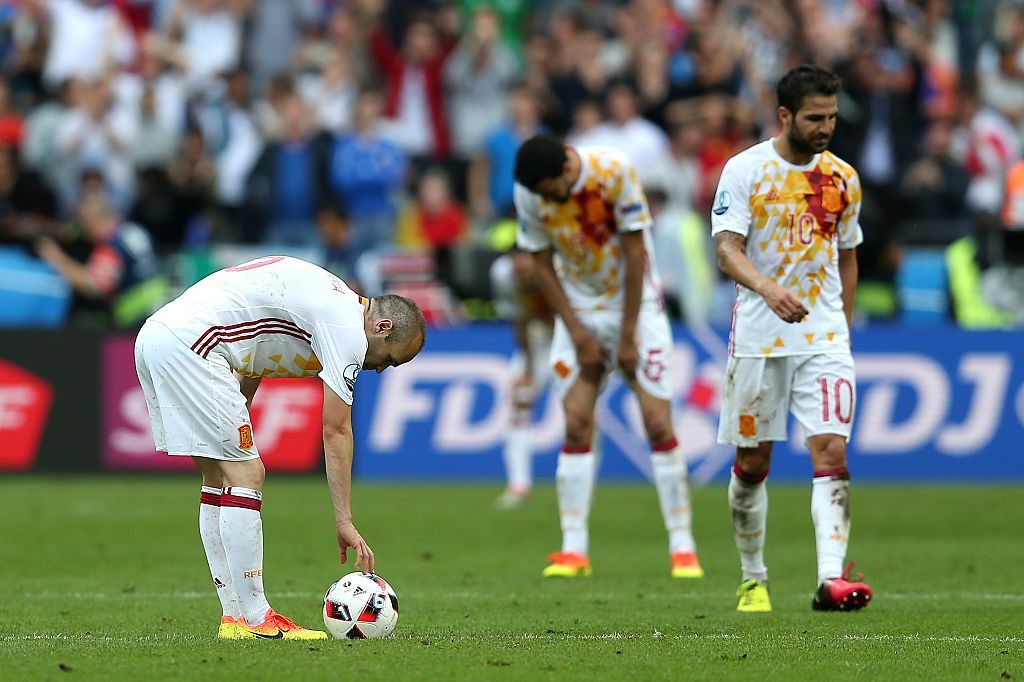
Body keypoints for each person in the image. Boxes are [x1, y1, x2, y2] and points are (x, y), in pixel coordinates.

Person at [134, 255, 426, 639]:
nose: (381, 369)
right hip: (193, 346)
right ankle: (258, 620)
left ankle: (234, 619)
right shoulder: (347, 328)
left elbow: (254, 356)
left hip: (160, 338)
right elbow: (336, 431)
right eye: (389, 358)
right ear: (382, 326)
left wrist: (235, 417)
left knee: (219, 475)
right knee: (247, 473)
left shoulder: (330, 306)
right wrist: (344, 520)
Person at [710, 64, 872, 613]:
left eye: (831, 116)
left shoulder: (843, 177)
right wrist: (768, 289)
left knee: (830, 449)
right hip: (759, 337)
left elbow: (847, 255)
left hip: (823, 336)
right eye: (814, 117)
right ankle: (753, 577)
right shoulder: (745, 170)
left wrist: (843, 328)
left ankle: (830, 580)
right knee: (752, 464)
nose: (826, 127)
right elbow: (726, 249)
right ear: (785, 116)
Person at [513, 133, 702, 579]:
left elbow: (637, 253)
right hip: (579, 308)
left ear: (566, 167)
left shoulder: (613, 171)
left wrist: (630, 333)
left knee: (657, 423)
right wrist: (577, 331)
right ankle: (574, 549)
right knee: (577, 422)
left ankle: (683, 546)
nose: (545, 201)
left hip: (636, 307)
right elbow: (540, 263)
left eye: (548, 190)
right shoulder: (531, 192)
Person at [489, 247, 554, 508]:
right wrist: (527, 367)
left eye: (526, 268)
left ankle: (587, 484)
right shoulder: (503, 275)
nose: (522, 273)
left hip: (572, 339)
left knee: (585, 413)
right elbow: (520, 320)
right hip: (539, 341)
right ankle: (519, 485)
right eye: (518, 268)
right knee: (520, 399)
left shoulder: (559, 269)